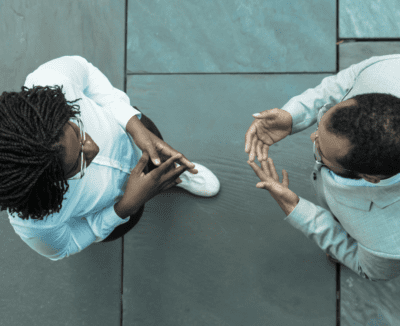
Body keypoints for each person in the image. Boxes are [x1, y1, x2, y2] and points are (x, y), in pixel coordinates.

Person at [3, 55, 400, 282]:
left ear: (372, 178)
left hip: (138, 135)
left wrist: (132, 124)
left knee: (165, 156)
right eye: (79, 163)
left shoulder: (50, 81)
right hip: (116, 207)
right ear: (46, 188)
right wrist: (123, 208)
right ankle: (171, 176)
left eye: (78, 128)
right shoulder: (36, 222)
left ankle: (175, 173)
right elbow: (68, 244)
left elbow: (85, 73)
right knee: (150, 184)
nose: (92, 143)